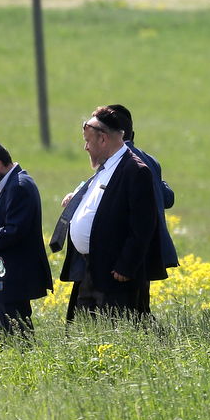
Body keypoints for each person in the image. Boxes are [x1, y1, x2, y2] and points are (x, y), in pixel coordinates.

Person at [57, 105, 166, 321]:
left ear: (103, 139)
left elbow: (143, 225)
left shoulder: (135, 170)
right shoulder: (106, 168)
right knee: (84, 331)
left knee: (115, 330)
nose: (86, 147)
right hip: (91, 269)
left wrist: (126, 266)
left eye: (88, 141)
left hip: (115, 276)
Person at [0, 140, 53, 333]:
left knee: (18, 336)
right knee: (9, 335)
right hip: (5, 276)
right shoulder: (5, 186)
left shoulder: (19, 186)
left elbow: (13, 230)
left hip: (14, 278)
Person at [107, 104, 180, 300]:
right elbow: (167, 198)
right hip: (151, 248)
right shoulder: (150, 160)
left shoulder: (117, 160)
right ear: (133, 134)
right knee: (141, 303)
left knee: (127, 306)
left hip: (127, 249)